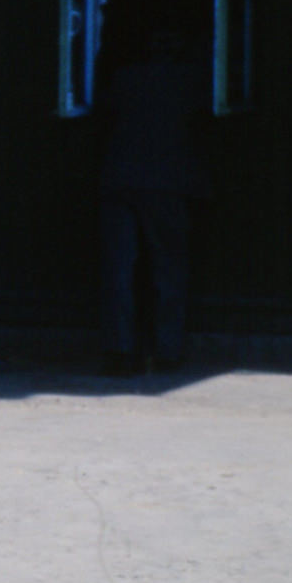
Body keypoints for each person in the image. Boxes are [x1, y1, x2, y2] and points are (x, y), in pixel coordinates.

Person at [99, 24, 211, 375]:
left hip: (120, 178)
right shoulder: (193, 81)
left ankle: (120, 350)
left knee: (119, 269)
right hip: (166, 181)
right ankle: (167, 350)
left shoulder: (125, 79)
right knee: (169, 268)